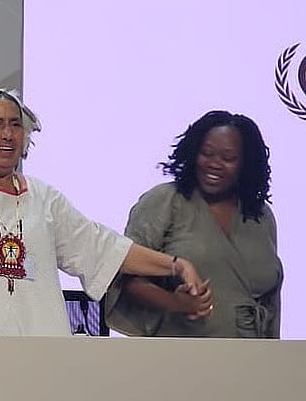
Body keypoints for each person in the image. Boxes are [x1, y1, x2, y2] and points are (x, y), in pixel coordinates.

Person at [0, 89, 210, 335]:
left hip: (37, 367)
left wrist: (176, 265)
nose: (7, 134)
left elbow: (102, 247)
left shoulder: (43, 198)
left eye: (15, 125)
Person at [106, 111, 281, 338]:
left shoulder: (260, 215)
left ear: (245, 164)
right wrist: (174, 302)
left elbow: (270, 298)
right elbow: (126, 275)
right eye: (206, 153)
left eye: (228, 158)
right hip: (180, 349)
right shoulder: (165, 200)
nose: (214, 164)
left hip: (253, 351)